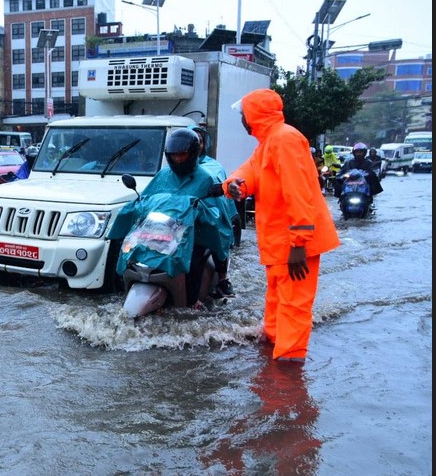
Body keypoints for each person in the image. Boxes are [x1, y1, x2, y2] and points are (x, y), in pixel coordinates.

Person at [224, 88, 340, 363]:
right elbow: (248, 173)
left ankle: (288, 370)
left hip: (293, 244)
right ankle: (274, 352)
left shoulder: (284, 139)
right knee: (278, 299)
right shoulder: (268, 143)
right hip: (279, 243)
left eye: (243, 114)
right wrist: (232, 185)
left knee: (294, 304)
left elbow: (298, 192)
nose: (242, 119)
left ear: (253, 115)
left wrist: (299, 244)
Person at [138, 127, 232, 309]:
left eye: (182, 155)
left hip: (195, 232)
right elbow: (146, 198)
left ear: (194, 153)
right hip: (164, 229)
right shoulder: (163, 175)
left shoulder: (206, 178)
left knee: (193, 260)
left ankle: (193, 300)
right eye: (174, 155)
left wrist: (201, 212)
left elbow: (218, 213)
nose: (178, 159)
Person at [192, 125, 237, 298]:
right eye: (193, 141)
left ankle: (222, 279)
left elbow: (222, 193)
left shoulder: (214, 167)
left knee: (219, 233)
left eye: (200, 141)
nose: (197, 145)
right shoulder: (173, 167)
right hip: (183, 215)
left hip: (210, 213)